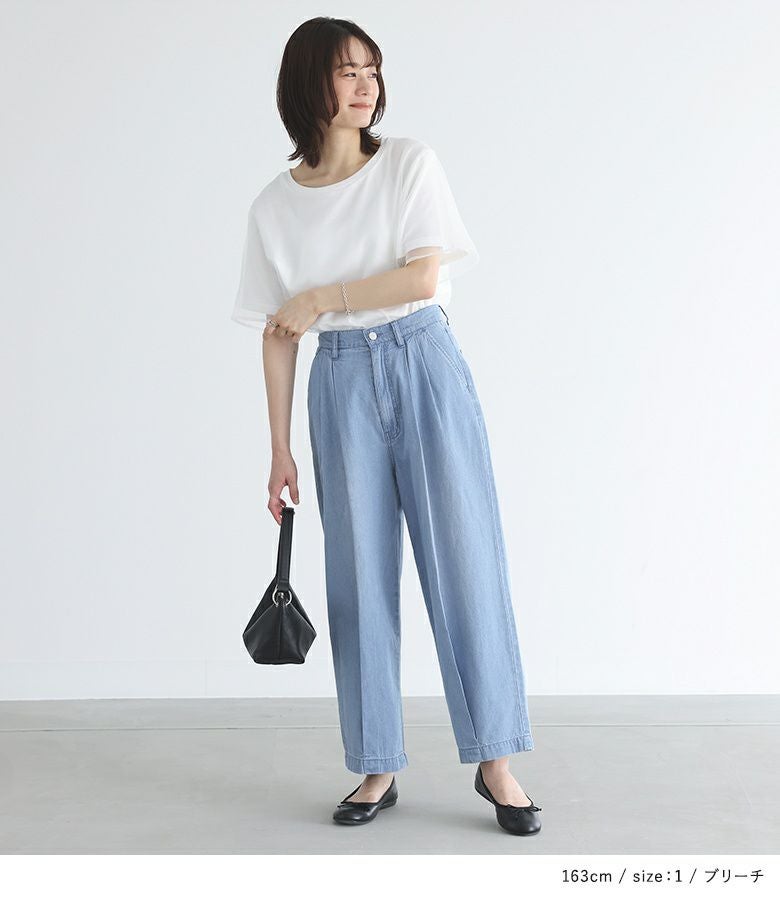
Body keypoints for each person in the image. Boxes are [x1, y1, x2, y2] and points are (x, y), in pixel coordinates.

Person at [231, 17, 541, 835]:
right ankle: (376, 763)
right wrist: (278, 448)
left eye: (372, 70)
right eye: (347, 72)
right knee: (357, 576)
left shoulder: (408, 163)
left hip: (421, 359)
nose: (365, 85)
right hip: (337, 383)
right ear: (309, 84)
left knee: (465, 557)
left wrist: (320, 298)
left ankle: (497, 761)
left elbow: (422, 275)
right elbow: (277, 334)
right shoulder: (274, 208)